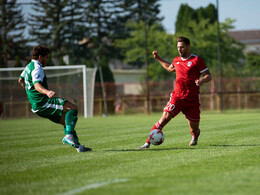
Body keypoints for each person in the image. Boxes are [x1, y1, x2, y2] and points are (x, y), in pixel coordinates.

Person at [139, 36, 212, 149]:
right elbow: (169, 67)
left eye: (182, 47)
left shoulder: (196, 60)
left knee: (194, 128)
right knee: (163, 119)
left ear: (188, 46)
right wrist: (158, 58)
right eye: (178, 47)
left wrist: (202, 80)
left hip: (192, 100)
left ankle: (195, 135)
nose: (179, 49)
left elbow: (209, 76)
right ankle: (147, 143)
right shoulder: (176, 60)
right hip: (177, 97)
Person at [18, 45, 92, 152]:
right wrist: (47, 92)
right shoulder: (37, 68)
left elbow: (20, 80)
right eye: (46, 57)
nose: (47, 60)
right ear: (40, 57)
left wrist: (30, 94)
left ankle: (79, 147)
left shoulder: (28, 66)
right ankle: (69, 137)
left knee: (67, 121)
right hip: (43, 102)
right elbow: (37, 86)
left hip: (37, 105)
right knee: (73, 108)